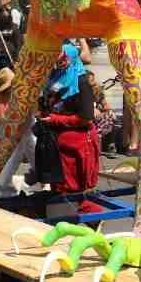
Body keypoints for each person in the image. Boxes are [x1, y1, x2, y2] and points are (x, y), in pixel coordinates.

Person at [38, 43, 100, 198]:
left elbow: (86, 118)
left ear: (72, 58)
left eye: (64, 59)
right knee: (59, 188)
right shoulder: (55, 76)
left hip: (77, 146)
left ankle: (93, 220)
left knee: (76, 190)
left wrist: (55, 119)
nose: (60, 62)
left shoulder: (81, 82)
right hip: (56, 143)